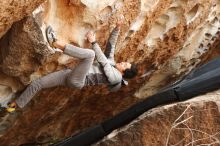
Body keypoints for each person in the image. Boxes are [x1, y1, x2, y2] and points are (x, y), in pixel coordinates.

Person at [6, 15, 138, 112]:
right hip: (70, 75)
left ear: (124, 72)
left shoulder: (116, 77)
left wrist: (93, 42)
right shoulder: (113, 63)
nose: (122, 62)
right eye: (125, 62)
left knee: (91, 54)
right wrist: (118, 27)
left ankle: (54, 42)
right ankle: (13, 106)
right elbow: (111, 45)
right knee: (38, 83)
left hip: (78, 80)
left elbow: (103, 62)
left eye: (125, 65)